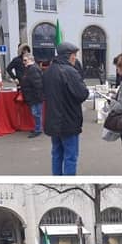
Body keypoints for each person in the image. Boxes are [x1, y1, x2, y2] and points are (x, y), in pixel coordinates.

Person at [42, 42, 90, 176]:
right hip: (68, 120)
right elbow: (82, 94)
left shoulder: (49, 71)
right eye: (74, 55)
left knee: (57, 154)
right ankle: (69, 184)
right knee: (70, 157)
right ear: (68, 56)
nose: (75, 58)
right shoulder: (70, 72)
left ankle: (57, 180)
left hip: (53, 120)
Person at [21, 54, 45, 138]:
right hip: (33, 96)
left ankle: (38, 129)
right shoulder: (30, 68)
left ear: (30, 60)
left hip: (35, 97)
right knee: (35, 113)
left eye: (25, 60)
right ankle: (37, 128)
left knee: (36, 113)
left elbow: (37, 84)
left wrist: (38, 97)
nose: (23, 62)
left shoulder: (33, 69)